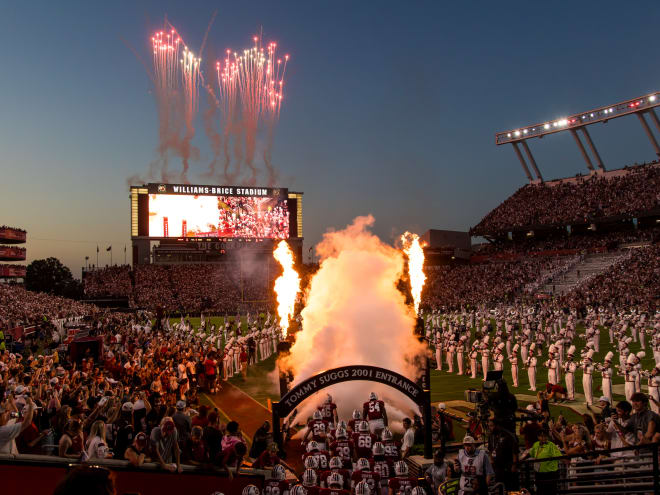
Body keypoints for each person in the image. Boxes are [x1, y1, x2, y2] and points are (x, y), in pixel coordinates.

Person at [527, 428, 562, 495]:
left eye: (545, 435)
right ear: (538, 437)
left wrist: (568, 461)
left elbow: (559, 456)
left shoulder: (551, 445)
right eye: (541, 436)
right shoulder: (536, 444)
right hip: (539, 473)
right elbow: (531, 453)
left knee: (551, 491)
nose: (543, 437)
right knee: (540, 491)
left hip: (550, 473)